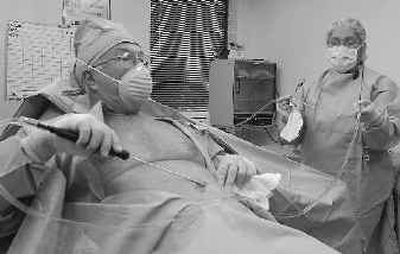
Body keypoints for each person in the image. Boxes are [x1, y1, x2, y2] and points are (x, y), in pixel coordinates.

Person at [0, 18, 340, 254]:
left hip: (235, 218)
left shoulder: (169, 120)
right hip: (164, 231)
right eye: (125, 58)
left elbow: (213, 152)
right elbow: (6, 208)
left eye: (142, 58)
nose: (141, 68)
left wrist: (228, 160)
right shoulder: (65, 124)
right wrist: (41, 144)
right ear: (91, 78)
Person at [280, 18, 400, 254]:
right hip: (316, 185)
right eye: (335, 42)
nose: (341, 49)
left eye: (349, 42)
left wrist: (374, 119)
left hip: (361, 189)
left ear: (362, 47)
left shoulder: (380, 85)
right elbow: (293, 139)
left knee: (355, 245)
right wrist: (289, 119)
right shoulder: (311, 87)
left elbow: (384, 141)